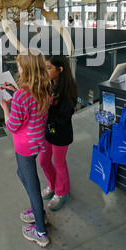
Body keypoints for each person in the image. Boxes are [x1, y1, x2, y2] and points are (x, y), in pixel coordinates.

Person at [0, 49, 51, 248]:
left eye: (20, 65)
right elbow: (31, 110)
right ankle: (38, 211)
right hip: (38, 142)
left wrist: (6, 109)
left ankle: (40, 231)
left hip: (24, 146)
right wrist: (16, 95)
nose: (17, 68)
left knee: (33, 188)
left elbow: (13, 125)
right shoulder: (44, 88)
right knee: (22, 174)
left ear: (27, 69)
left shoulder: (22, 96)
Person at [39, 54, 78, 211]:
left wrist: (47, 105)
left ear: (60, 69)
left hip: (61, 134)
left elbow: (63, 117)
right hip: (49, 131)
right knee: (43, 161)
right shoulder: (49, 85)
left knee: (59, 163)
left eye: (49, 68)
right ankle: (53, 185)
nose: (46, 71)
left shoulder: (68, 90)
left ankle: (62, 192)